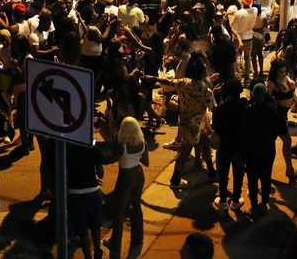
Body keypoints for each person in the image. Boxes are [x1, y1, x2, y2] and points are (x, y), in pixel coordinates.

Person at [146, 52, 213, 189]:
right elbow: (213, 107)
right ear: (202, 73)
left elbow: (168, 81)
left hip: (184, 121)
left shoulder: (184, 83)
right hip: (198, 123)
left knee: (203, 145)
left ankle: (212, 172)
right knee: (185, 152)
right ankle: (175, 179)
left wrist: (152, 78)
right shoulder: (206, 91)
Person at [105, 116, 148, 257]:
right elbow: (146, 161)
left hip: (125, 177)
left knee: (119, 211)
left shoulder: (121, 143)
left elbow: (112, 158)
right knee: (136, 207)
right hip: (138, 174)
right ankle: (137, 239)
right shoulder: (142, 142)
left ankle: (115, 244)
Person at [267, 58, 297, 182]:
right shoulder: (272, 83)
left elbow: (293, 94)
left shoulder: (286, 78)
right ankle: (288, 170)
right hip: (276, 116)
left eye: (285, 71)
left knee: (274, 143)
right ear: (275, 71)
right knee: (285, 141)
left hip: (283, 115)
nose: (283, 73)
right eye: (281, 72)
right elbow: (268, 101)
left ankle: (287, 170)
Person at [243, 83, 278, 215]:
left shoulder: (248, 110)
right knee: (266, 176)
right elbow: (276, 130)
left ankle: (253, 204)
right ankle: (264, 202)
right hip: (267, 148)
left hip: (251, 150)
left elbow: (244, 131)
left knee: (252, 179)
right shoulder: (272, 111)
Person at [212, 79, 247, 211]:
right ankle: (236, 200)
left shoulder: (220, 110)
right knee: (239, 173)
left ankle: (222, 200)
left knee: (223, 173)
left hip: (224, 144)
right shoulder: (245, 105)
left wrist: (217, 96)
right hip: (240, 145)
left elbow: (215, 127)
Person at [66, 141, 103, 259]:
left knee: (82, 231)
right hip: (93, 192)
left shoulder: (66, 148)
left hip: (74, 194)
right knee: (95, 226)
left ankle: (88, 256)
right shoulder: (92, 147)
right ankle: (98, 250)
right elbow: (101, 173)